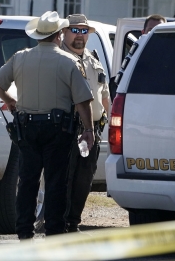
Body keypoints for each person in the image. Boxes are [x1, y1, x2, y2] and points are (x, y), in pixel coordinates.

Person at [0, 11, 94, 239]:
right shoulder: (69, 61)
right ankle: (54, 232)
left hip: (26, 128)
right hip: (58, 130)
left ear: (38, 36)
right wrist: (89, 130)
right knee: (56, 181)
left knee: (27, 181)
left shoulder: (20, 57)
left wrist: (10, 102)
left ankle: (24, 231)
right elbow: (83, 101)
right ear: (59, 35)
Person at [60, 14, 111, 232]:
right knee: (64, 178)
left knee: (84, 180)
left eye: (84, 31)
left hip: (93, 131)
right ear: (64, 32)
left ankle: (73, 222)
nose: (79, 36)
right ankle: (59, 222)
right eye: (75, 30)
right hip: (67, 128)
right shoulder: (59, 58)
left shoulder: (93, 60)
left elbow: (105, 95)